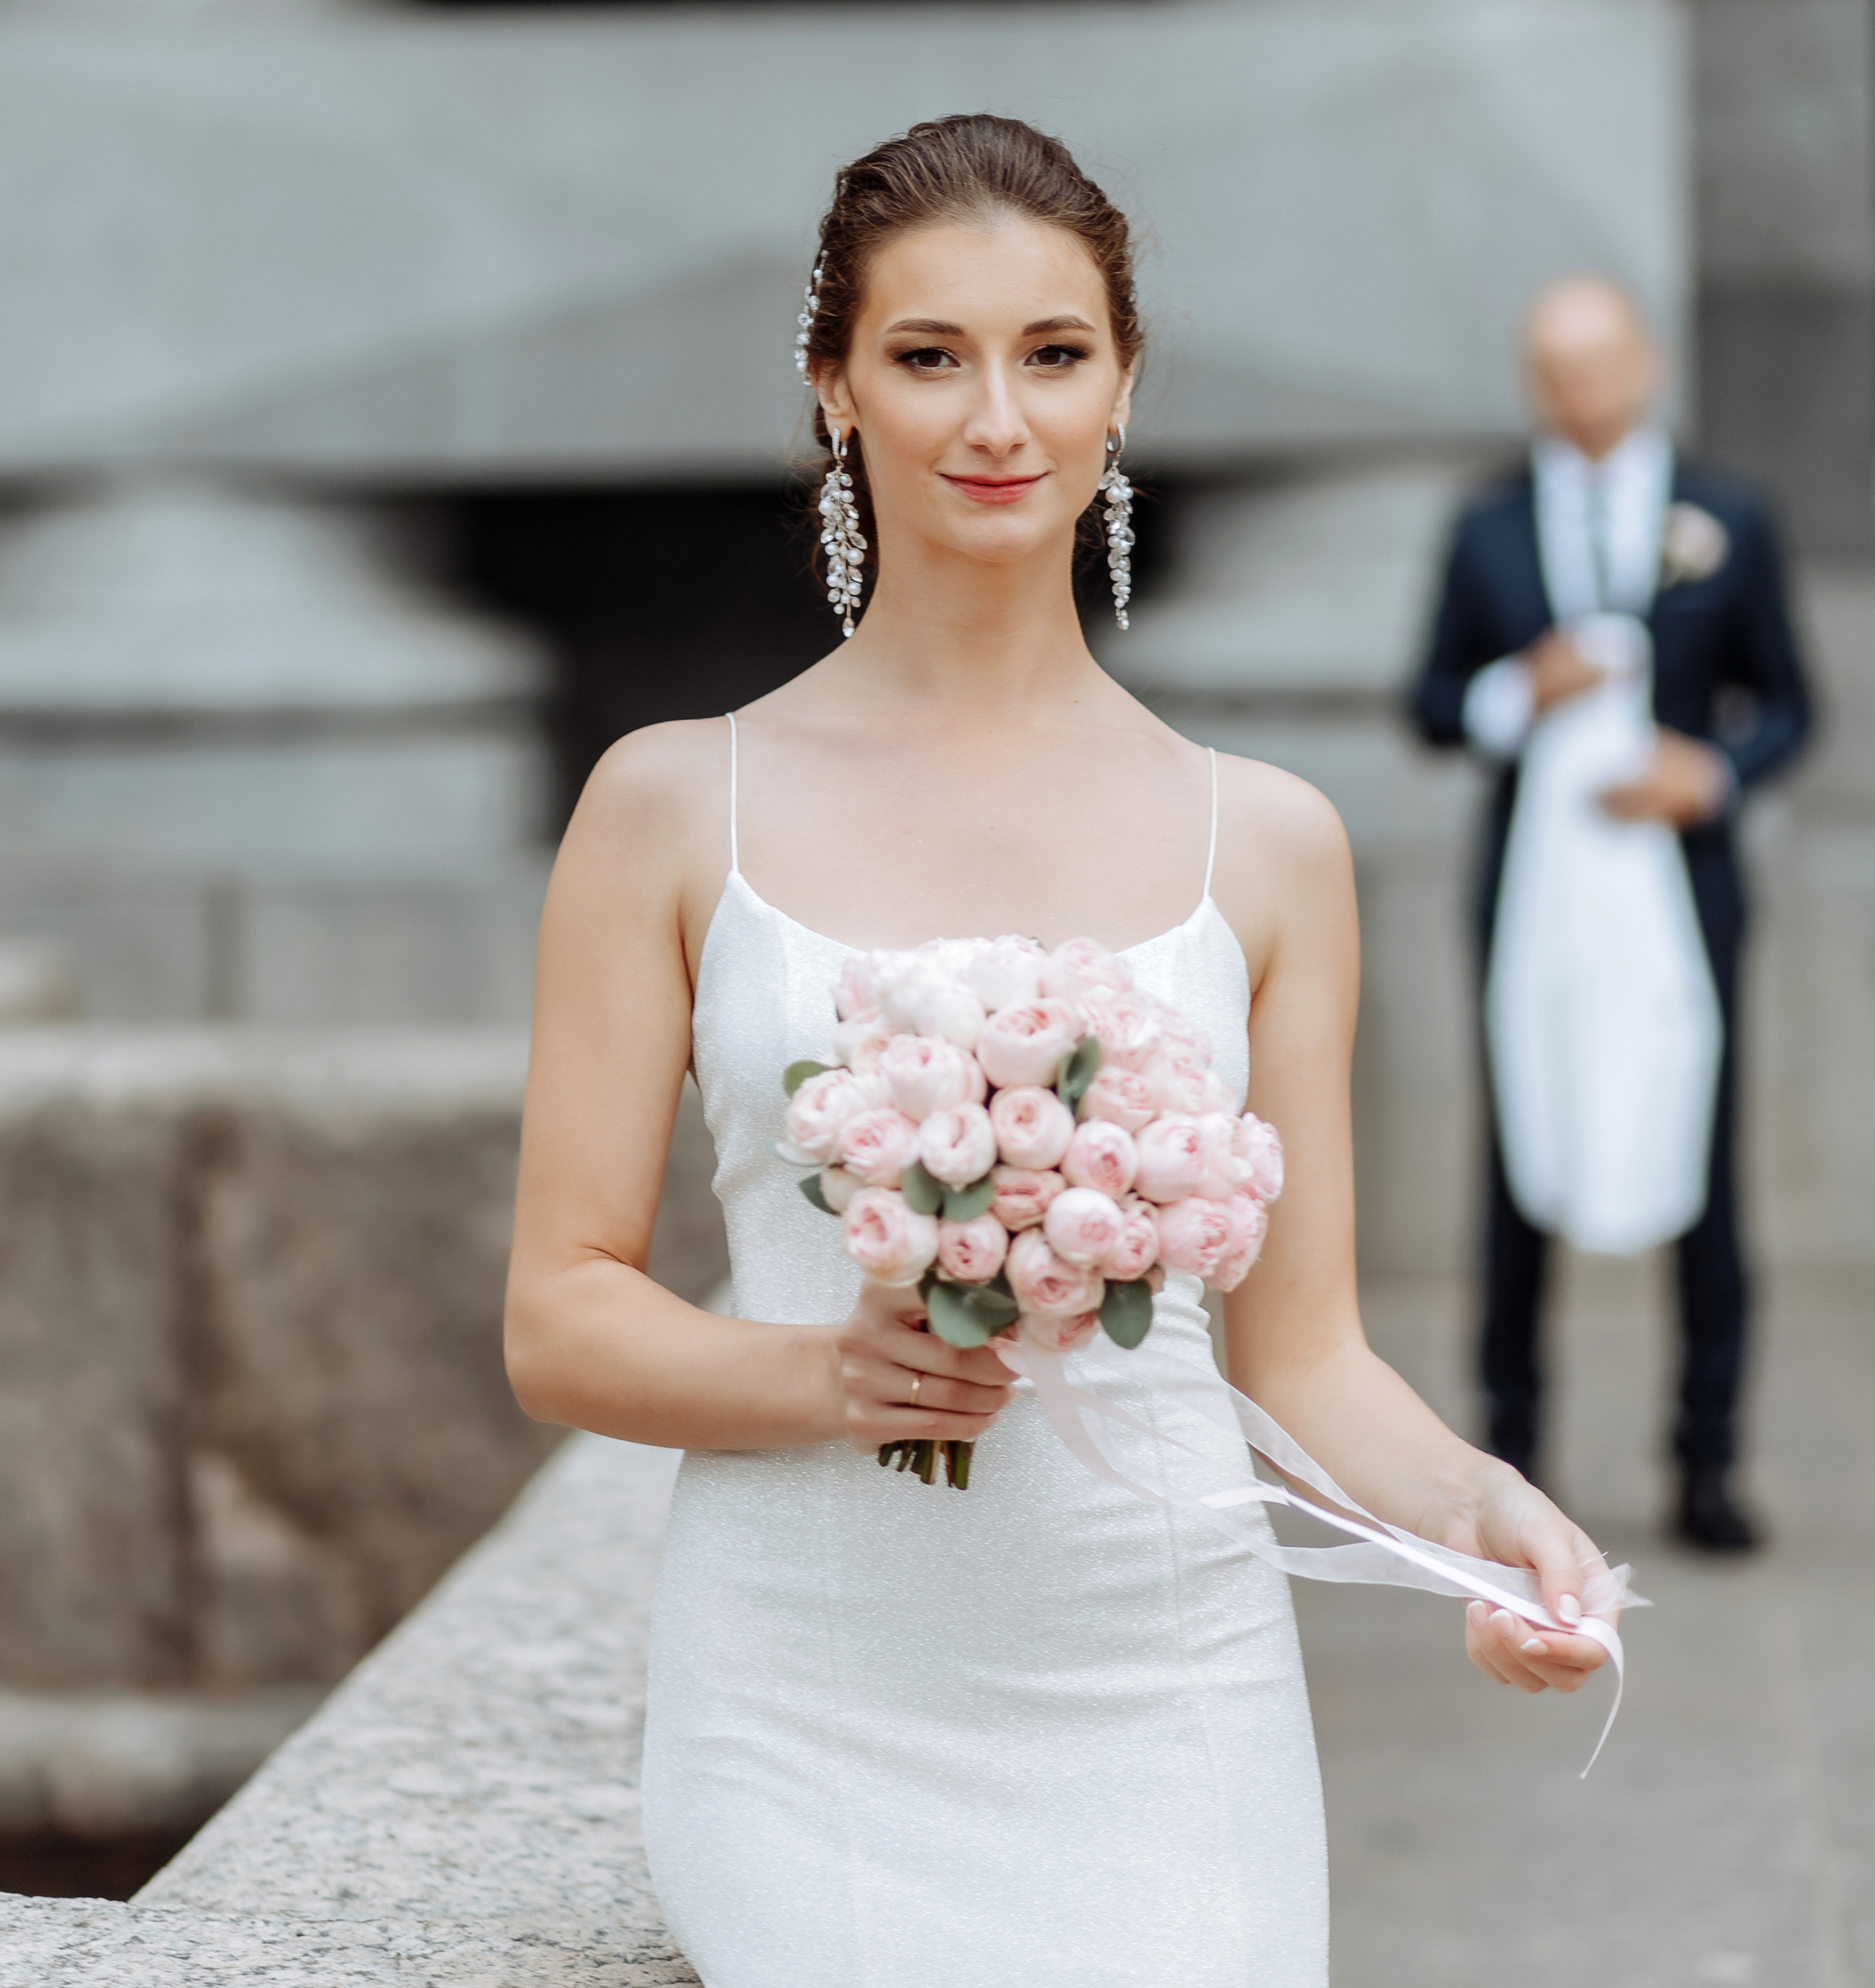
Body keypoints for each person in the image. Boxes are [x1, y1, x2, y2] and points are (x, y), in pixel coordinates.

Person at [505, 117, 1614, 1988]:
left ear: (1121, 391)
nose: (992, 418)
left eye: (1051, 353)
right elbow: (557, 1316)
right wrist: (827, 1377)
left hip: (1165, 1684)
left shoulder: (1260, 841)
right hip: (808, 1695)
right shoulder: (669, 805)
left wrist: (1480, 1520)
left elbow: (1302, 1352)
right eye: (926, 356)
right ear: (833, 393)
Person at [1410, 276, 1812, 1553]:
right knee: (1520, 1158)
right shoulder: (1485, 525)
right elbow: (1427, 704)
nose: (1581, 393)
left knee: (1699, 1155)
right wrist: (1518, 688)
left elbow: (1793, 703)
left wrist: (1716, 774)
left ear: (1643, 365)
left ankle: (1706, 1460)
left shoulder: (1728, 515)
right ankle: (1513, 1453)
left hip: (1682, 896)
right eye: (1556, 370)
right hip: (1535, 898)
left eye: (1601, 365)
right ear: (1537, 383)